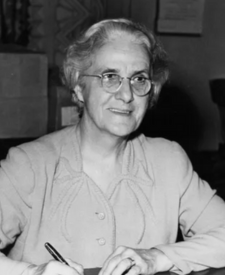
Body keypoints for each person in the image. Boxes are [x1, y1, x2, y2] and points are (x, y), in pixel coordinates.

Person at [0, 18, 225, 275]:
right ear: (79, 87)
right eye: (110, 76)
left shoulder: (168, 161)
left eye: (139, 79)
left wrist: (158, 257)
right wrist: (32, 272)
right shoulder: (29, 165)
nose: (127, 94)